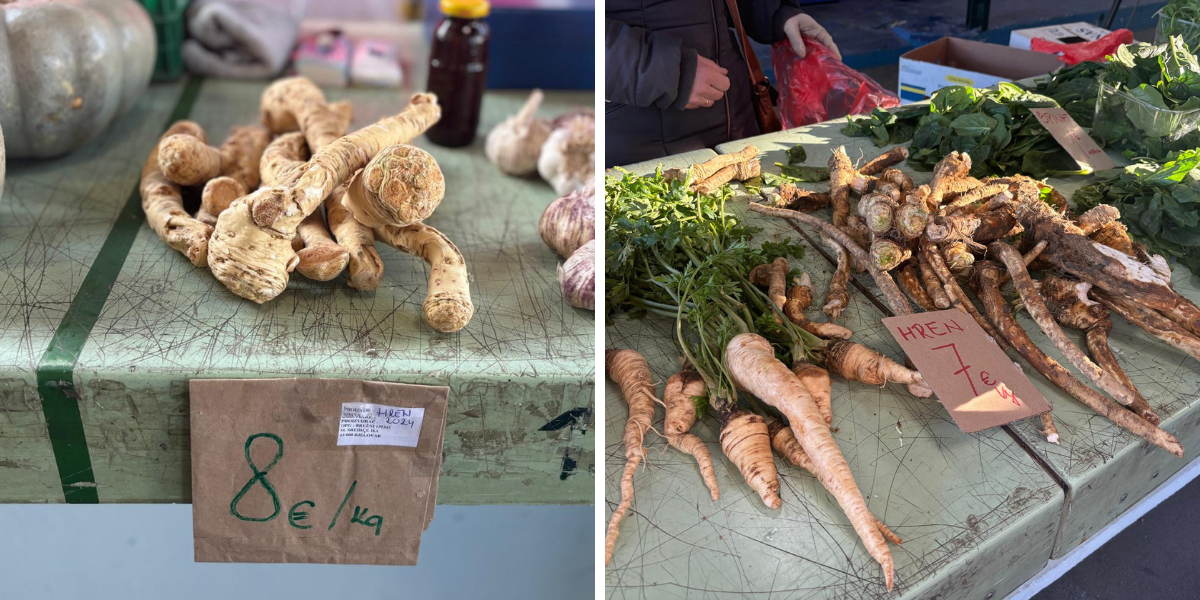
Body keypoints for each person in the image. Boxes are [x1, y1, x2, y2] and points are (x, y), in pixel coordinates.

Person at [605, 1, 840, 167]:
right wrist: (665, 71)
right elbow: (578, 35)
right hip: (643, 140)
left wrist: (778, 13)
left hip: (735, 118)